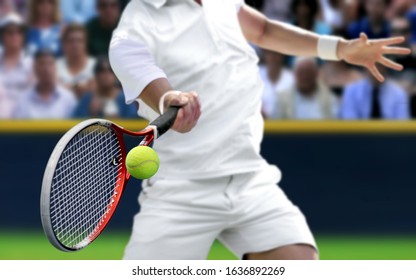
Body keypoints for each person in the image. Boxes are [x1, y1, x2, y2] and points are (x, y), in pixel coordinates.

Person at [109, 0, 410, 260]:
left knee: (299, 261)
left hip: (249, 180)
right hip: (181, 192)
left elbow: (264, 30)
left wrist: (341, 49)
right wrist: (168, 99)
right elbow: (145, 77)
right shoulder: (135, 25)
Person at [13, 49, 76, 119]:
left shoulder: (67, 99)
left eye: (50, 64)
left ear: (56, 68)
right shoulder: (23, 100)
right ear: (34, 68)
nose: (46, 68)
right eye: (42, 64)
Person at [72, 56, 137, 118]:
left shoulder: (125, 99)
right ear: (96, 75)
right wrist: (91, 113)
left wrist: (118, 121)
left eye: (110, 70)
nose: (106, 74)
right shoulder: (87, 98)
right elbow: (75, 122)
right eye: (102, 70)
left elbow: (135, 123)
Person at [340, 68, 409, 120]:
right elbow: (349, 121)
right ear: (365, 66)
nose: (376, 68)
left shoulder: (399, 94)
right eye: (373, 63)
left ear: (386, 67)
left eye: (380, 64)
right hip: (358, 136)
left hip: (390, 137)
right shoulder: (351, 91)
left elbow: (402, 122)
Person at [0, 13, 35, 115]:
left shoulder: (32, 64)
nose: (15, 36)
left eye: (19, 32)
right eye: (10, 32)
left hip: (25, 120)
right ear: (2, 35)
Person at [57, 24, 96, 99]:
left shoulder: (96, 65)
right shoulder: (55, 66)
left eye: (80, 41)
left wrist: (67, 87)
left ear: (86, 44)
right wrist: (80, 87)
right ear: (64, 44)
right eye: (71, 41)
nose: (75, 45)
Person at [260, 50, 294, 118]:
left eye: (276, 54)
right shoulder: (256, 73)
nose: (273, 57)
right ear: (264, 55)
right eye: (269, 54)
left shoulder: (291, 78)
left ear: (282, 55)